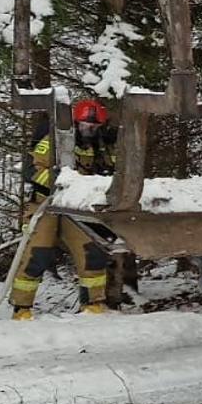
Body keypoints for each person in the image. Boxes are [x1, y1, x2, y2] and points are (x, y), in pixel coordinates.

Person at [10, 99, 119, 320]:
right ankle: (22, 309)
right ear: (75, 122)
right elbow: (33, 169)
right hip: (46, 205)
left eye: (95, 127)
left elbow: (112, 169)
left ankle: (94, 306)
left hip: (77, 207)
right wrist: (60, 182)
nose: (90, 130)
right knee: (36, 254)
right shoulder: (55, 140)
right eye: (86, 126)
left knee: (92, 251)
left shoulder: (99, 145)